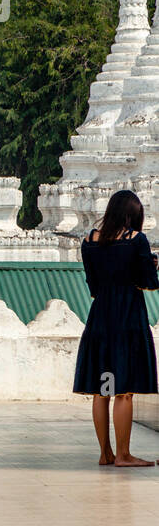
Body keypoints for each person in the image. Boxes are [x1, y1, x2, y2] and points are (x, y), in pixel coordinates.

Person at [74, 189, 159, 467]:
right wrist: (152, 265)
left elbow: (94, 287)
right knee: (124, 390)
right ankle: (124, 455)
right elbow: (148, 282)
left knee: (103, 389)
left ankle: (105, 453)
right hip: (127, 319)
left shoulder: (90, 241)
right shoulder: (136, 240)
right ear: (133, 216)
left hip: (100, 320)